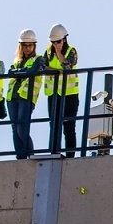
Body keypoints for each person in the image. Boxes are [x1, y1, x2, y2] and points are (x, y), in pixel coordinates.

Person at [44, 24, 80, 157]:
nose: (55, 45)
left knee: (69, 127)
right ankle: (54, 152)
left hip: (69, 94)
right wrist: (56, 71)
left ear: (64, 40)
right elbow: (42, 67)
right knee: (54, 126)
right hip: (54, 94)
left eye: (58, 42)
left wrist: (59, 53)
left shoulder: (71, 51)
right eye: (53, 42)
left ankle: (70, 156)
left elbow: (68, 67)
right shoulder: (48, 52)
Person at [7, 30, 43, 160]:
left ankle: (30, 155)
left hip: (26, 97)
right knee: (15, 128)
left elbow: (32, 71)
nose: (27, 48)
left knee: (22, 126)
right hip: (12, 97)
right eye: (24, 45)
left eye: (30, 45)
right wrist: (22, 71)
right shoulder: (17, 60)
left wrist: (20, 72)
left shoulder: (38, 59)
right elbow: (10, 72)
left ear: (34, 46)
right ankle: (20, 157)